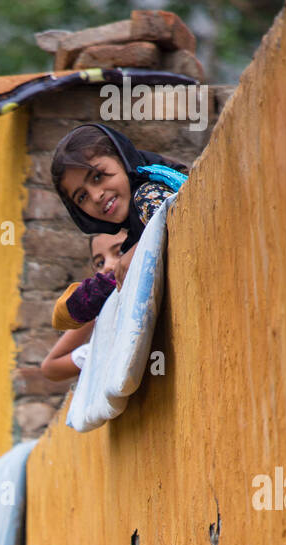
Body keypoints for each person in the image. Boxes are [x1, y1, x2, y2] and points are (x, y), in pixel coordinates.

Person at [50, 124, 188, 290]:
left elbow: (182, 228)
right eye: (82, 197)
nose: (96, 196)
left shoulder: (148, 195)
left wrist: (141, 251)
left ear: (123, 159)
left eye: (97, 177)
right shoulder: (133, 234)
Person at [41, 229, 128, 381]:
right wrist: (96, 307)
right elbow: (51, 367)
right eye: (99, 263)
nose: (107, 267)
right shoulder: (107, 346)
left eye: (119, 251)